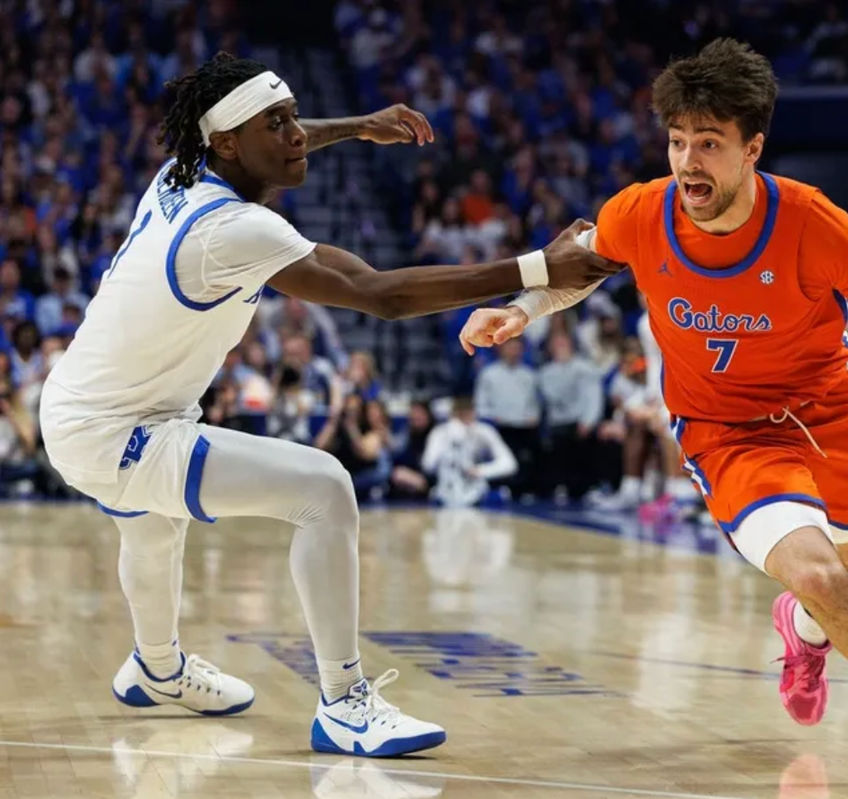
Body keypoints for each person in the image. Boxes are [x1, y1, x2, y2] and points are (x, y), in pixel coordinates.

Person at [458, 39, 848, 791]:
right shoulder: (641, 211)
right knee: (824, 578)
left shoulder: (815, 223)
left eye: (709, 143)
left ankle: (801, 629)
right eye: (677, 141)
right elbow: (582, 261)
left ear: (752, 149)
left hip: (826, 414)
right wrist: (522, 310)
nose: (688, 161)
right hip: (724, 433)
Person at [37, 53, 619, 758]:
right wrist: (540, 267)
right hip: (113, 430)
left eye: (294, 118)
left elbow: (282, 143)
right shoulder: (233, 231)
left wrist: (359, 125)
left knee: (153, 531)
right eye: (276, 124)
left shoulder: (181, 173)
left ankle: (155, 671)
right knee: (323, 488)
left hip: (87, 403)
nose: (296, 135)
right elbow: (382, 295)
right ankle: (345, 704)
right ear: (227, 143)